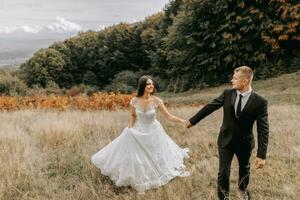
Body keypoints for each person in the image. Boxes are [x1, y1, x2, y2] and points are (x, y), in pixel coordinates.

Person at [91, 75, 190, 193]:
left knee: (155, 154)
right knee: (132, 149)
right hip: (139, 129)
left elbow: (168, 116)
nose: (151, 86)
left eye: (152, 84)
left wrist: (182, 121)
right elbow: (133, 116)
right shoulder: (134, 100)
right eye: (148, 84)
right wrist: (130, 127)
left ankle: (157, 171)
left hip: (153, 131)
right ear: (142, 86)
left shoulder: (156, 100)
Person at [185, 66, 269, 200]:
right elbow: (209, 107)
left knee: (244, 169)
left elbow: (263, 128)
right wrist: (192, 121)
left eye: (235, 78)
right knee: (223, 172)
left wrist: (261, 155)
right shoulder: (227, 94)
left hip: (244, 142)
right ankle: (223, 196)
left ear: (245, 81)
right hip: (225, 140)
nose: (231, 80)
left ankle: (243, 191)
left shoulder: (260, 101)